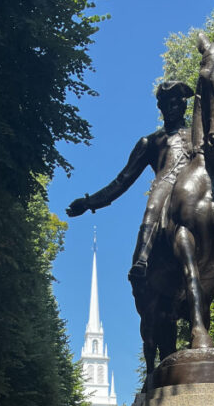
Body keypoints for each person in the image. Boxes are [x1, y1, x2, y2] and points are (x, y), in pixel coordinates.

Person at [67, 81, 195, 284]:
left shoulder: (199, 137)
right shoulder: (151, 142)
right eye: (166, 104)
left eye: (176, 104)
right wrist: (89, 202)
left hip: (195, 190)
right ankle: (143, 259)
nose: (171, 109)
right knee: (153, 206)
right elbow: (122, 180)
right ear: (159, 107)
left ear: (184, 105)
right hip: (167, 184)